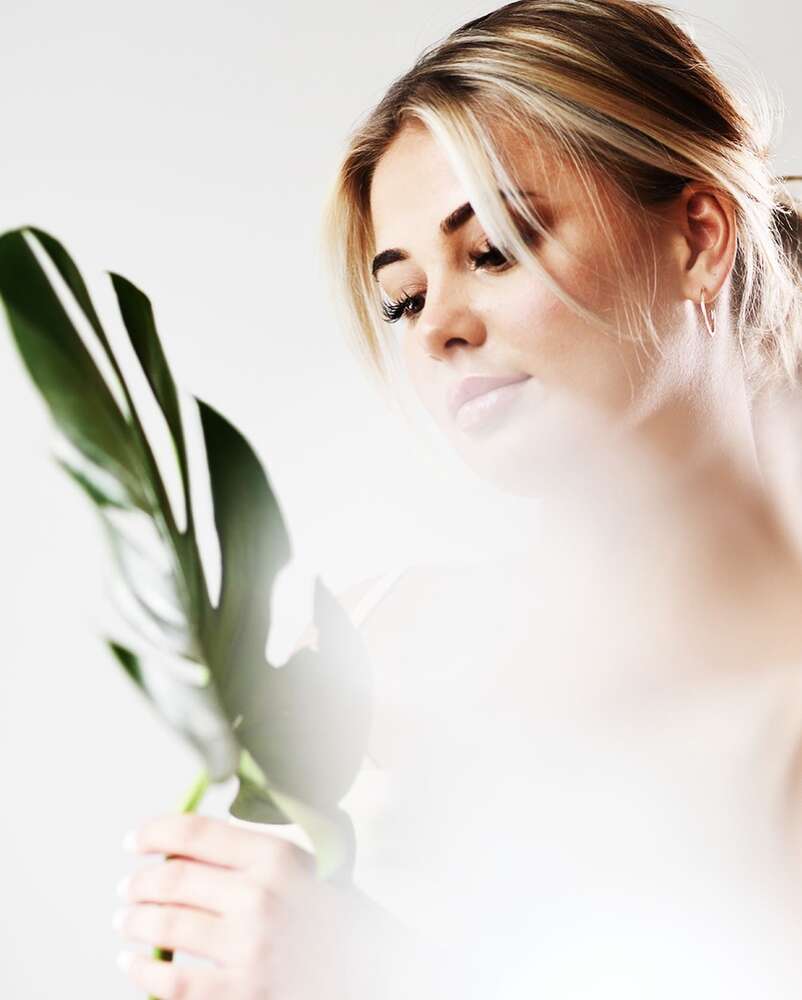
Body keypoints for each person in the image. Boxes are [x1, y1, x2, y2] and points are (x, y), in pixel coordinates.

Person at [113, 1, 802, 996]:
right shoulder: (363, 639)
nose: (436, 328)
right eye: (403, 296)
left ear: (696, 237)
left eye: (491, 249)